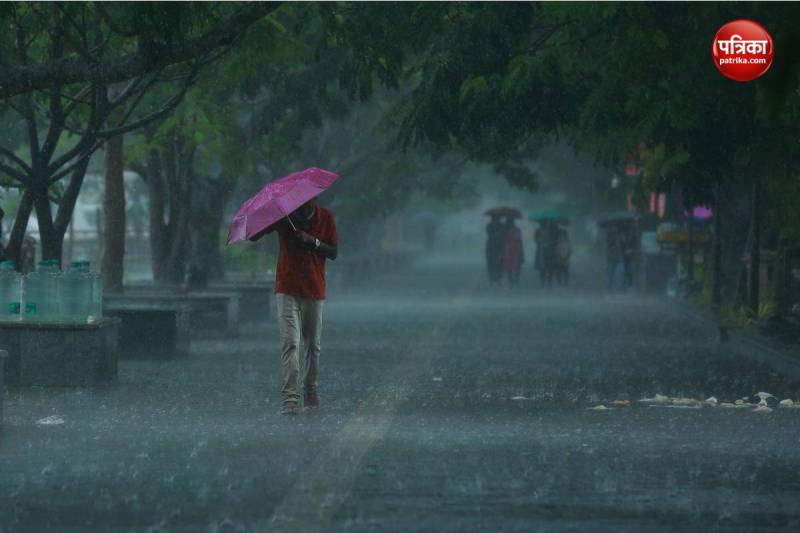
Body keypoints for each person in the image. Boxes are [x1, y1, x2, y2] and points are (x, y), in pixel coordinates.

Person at [249, 197, 338, 415]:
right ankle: (290, 397)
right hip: (286, 287)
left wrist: (313, 242)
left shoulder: (325, 217)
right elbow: (254, 235)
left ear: (314, 199)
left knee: (312, 345)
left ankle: (310, 389)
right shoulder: (284, 217)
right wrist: (266, 216)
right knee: (290, 342)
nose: (301, 205)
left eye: (306, 202)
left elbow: (333, 252)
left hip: (314, 289)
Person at [503, 217, 524, 286]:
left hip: (510, 249)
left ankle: (511, 279)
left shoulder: (506, 230)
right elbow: (519, 240)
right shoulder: (516, 230)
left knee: (510, 264)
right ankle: (515, 278)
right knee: (516, 264)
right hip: (515, 249)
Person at [485, 215, 505, 284]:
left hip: (497, 246)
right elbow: (489, 233)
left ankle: (495, 277)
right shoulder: (491, 226)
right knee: (493, 262)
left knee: (497, 262)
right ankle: (494, 277)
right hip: (494, 246)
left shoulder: (500, 226)